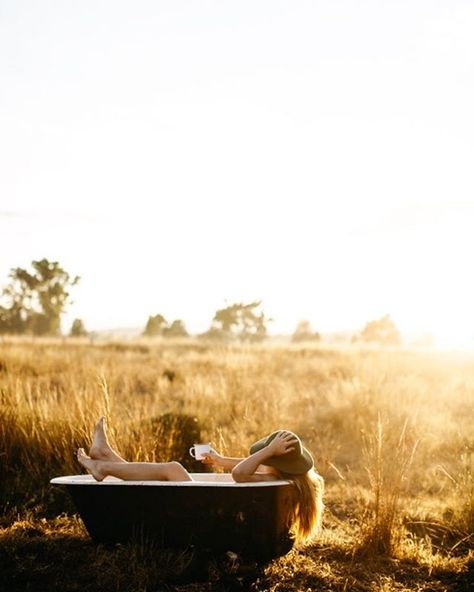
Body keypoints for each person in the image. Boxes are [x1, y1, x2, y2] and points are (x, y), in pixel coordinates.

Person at [77, 418, 324, 542]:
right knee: (170, 471)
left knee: (173, 469)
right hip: (220, 520)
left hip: (208, 519)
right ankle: (107, 461)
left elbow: (239, 474)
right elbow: (243, 465)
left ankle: (104, 466)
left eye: (267, 457)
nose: (262, 460)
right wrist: (218, 459)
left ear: (274, 461)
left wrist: (266, 451)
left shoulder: (278, 485)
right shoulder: (286, 478)